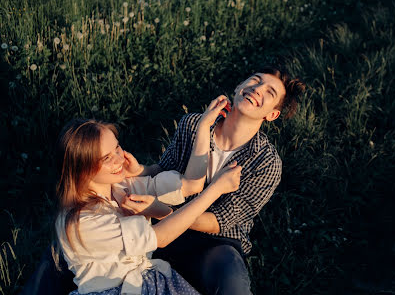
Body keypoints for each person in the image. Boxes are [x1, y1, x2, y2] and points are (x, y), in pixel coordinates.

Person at [24, 96, 241, 295]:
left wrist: (203, 126)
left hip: (151, 283)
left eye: (117, 148)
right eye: (106, 158)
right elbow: (162, 237)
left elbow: (191, 184)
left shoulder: (121, 188)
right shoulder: (78, 220)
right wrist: (216, 189)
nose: (118, 159)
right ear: (82, 168)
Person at [139, 66, 305, 294]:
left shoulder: (266, 161)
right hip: (164, 226)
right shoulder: (193, 124)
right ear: (239, 88)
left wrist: (163, 211)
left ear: (272, 115)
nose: (257, 89)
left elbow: (220, 221)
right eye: (255, 81)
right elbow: (164, 169)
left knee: (230, 280)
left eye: (269, 92)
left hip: (216, 241)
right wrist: (136, 171)